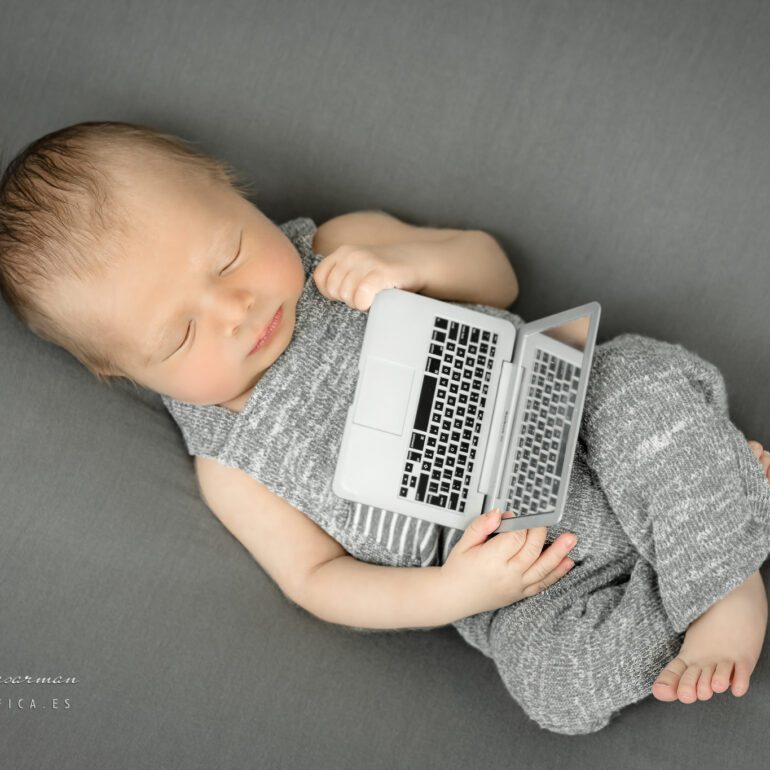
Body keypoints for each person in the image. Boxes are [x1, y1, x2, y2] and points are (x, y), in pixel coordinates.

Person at [2, 120, 770, 735]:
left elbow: (495, 271)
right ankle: (708, 518)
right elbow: (318, 582)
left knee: (637, 384)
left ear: (235, 194)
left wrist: (408, 266)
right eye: (180, 335)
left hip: (574, 420)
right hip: (525, 580)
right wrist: (452, 591)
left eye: (228, 256)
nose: (235, 311)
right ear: (128, 372)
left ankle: (726, 590)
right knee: (555, 690)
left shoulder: (338, 247)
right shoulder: (230, 466)